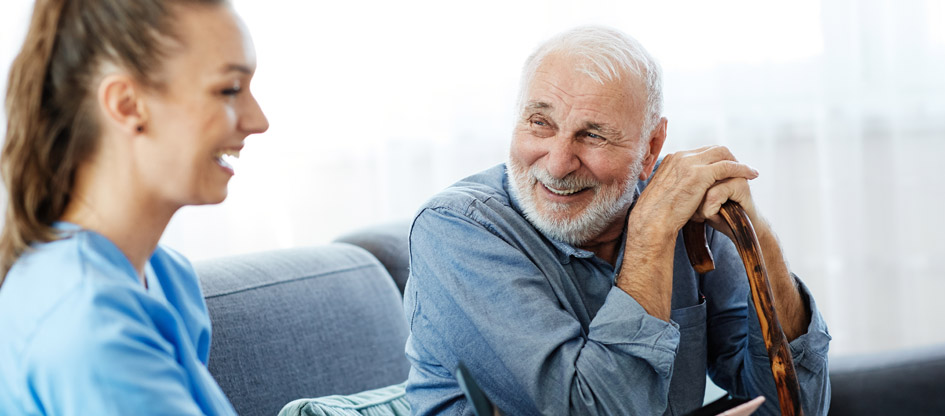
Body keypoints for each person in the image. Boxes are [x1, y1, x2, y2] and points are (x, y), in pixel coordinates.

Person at [403, 26, 830, 415]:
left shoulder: (680, 209)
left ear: (650, 147)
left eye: (593, 135)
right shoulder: (455, 230)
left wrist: (756, 232)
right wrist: (650, 233)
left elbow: (796, 404)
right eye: (540, 123)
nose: (557, 164)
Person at [0, 0, 268, 414]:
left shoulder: (167, 276)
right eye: (229, 89)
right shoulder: (88, 323)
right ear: (127, 104)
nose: (258, 120)